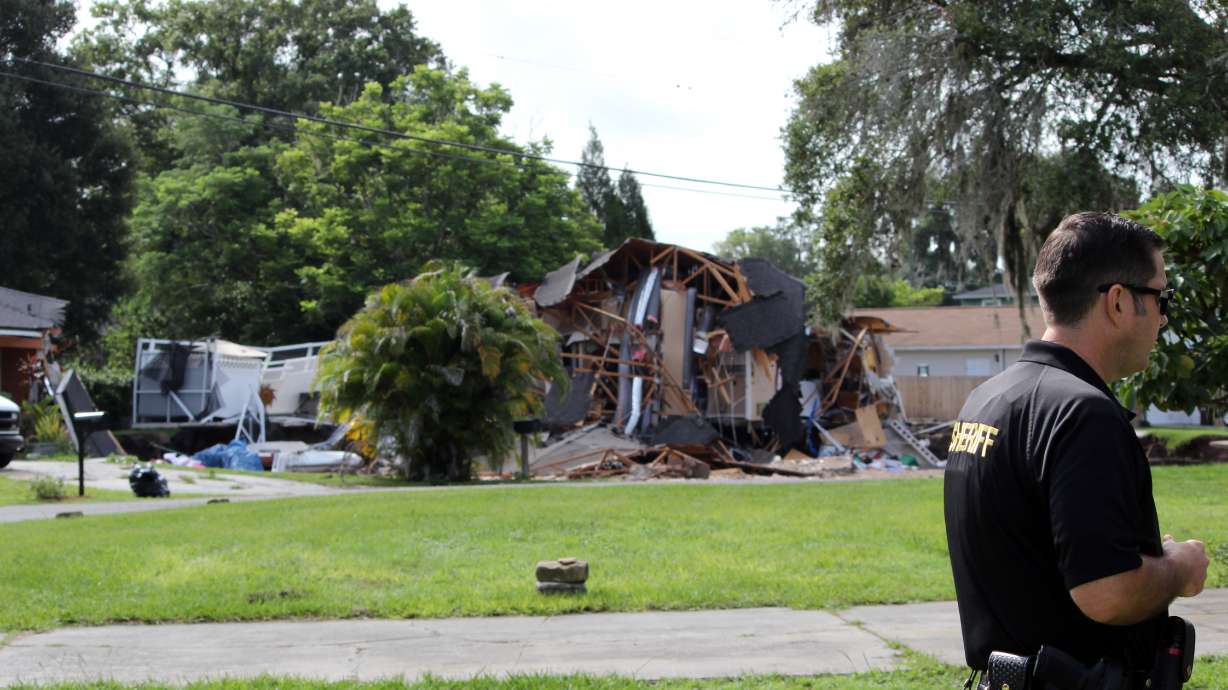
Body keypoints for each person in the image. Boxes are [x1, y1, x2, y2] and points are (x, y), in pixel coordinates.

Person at [944, 212, 1209, 682]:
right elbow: (1106, 593)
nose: (1165, 317)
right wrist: (1179, 567)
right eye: (1161, 297)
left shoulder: (988, 399)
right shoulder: (1083, 413)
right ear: (1119, 302)